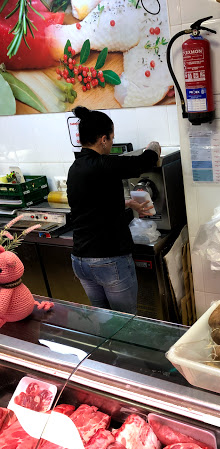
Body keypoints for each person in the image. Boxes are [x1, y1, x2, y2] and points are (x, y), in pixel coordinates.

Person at [67, 106, 161, 314]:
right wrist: (154, 147)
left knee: (106, 320)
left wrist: (127, 203)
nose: (111, 143)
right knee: (126, 323)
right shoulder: (103, 164)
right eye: (111, 138)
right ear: (103, 139)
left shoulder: (75, 168)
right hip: (108, 259)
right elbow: (144, 162)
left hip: (81, 260)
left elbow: (89, 205)